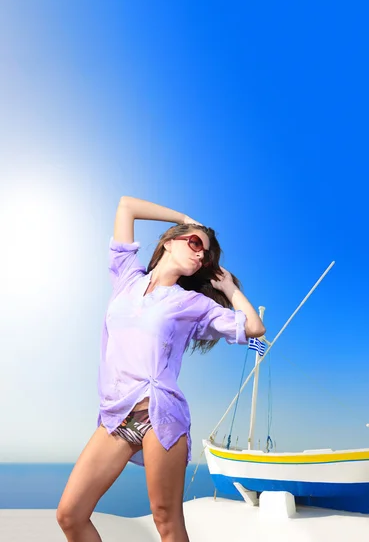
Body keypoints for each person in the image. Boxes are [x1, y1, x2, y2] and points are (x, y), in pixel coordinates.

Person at [56, 196, 266, 542]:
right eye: (195, 243)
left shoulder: (192, 303)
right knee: (70, 514)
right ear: (169, 241)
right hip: (117, 415)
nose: (201, 253)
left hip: (161, 416)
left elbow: (254, 328)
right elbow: (126, 206)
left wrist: (228, 288)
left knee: (166, 521)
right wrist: (186, 218)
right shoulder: (126, 277)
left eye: (206, 253)